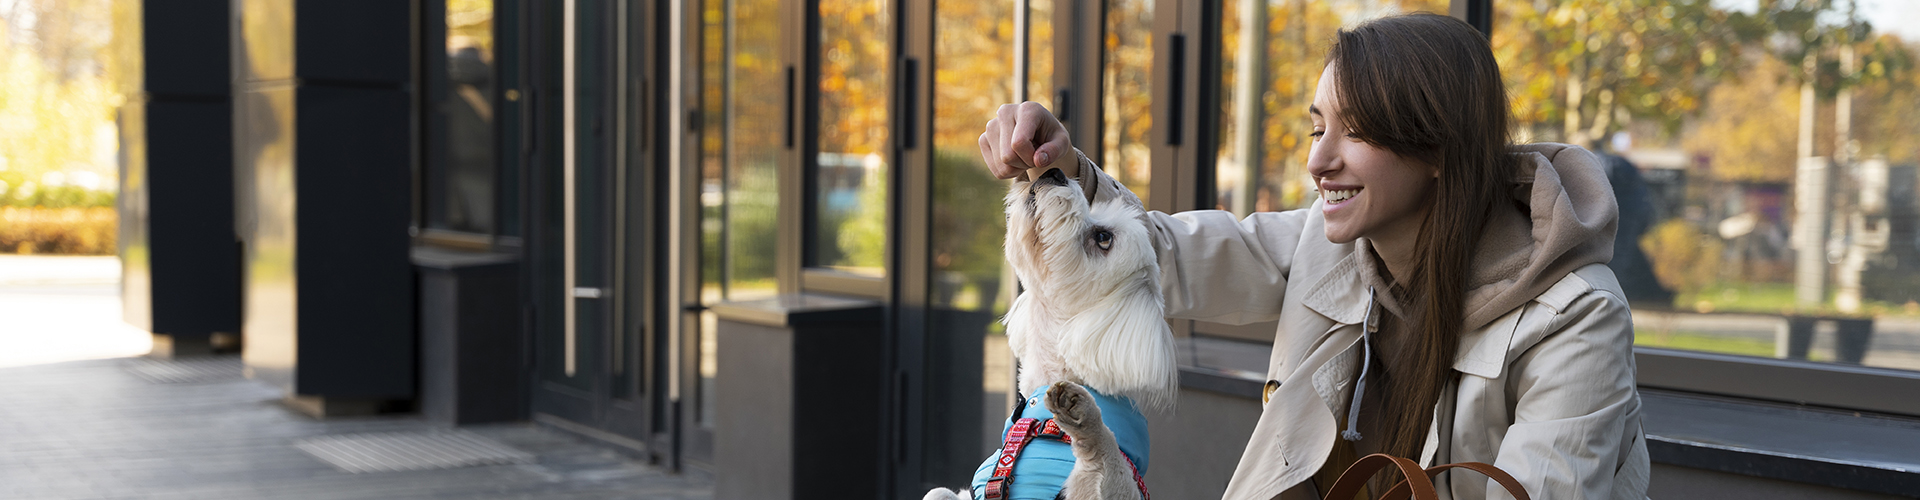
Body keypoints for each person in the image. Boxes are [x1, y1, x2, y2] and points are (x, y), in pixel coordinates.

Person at [976, 13, 1648, 500]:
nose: (1318, 161)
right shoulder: (1325, 245)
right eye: (1317, 127)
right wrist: (1063, 170)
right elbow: (1156, 260)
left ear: (1438, 149)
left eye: (1355, 133)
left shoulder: (1576, 318)